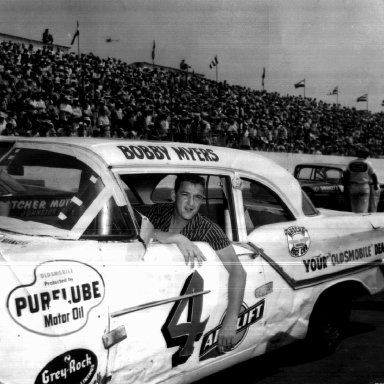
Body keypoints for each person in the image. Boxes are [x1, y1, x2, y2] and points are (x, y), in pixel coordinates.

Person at [146, 174, 246, 354]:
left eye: (198, 197)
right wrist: (175, 238)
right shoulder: (158, 211)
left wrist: (231, 320)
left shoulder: (208, 229)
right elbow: (133, 231)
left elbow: (238, 271)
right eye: (185, 195)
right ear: (174, 195)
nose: (191, 203)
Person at [344, 147, 379, 213]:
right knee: (363, 208)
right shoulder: (367, 163)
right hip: (364, 186)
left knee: (354, 207)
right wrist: (375, 185)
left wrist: (346, 186)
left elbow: (346, 175)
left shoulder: (351, 163)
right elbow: (373, 175)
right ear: (366, 155)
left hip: (353, 186)